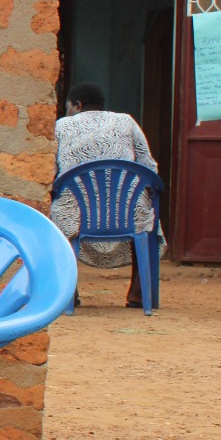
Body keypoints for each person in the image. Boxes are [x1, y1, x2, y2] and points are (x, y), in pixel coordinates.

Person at [50, 82, 165, 307]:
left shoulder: (61, 126)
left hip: (78, 215)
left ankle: (68, 292)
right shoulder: (126, 121)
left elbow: (51, 173)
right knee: (145, 213)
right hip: (125, 213)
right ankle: (139, 296)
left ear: (77, 105)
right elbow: (149, 168)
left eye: (68, 106)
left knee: (57, 209)